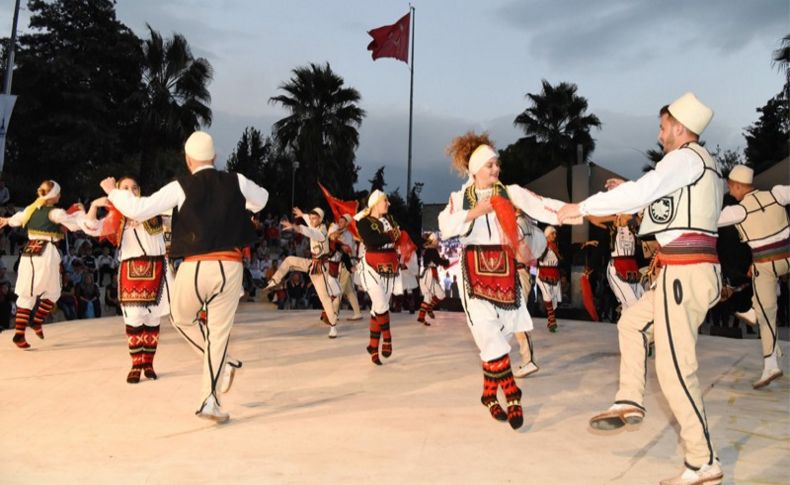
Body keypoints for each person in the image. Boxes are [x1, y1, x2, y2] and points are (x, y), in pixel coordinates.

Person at [558, 92, 724, 484]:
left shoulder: (684, 158)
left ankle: (703, 463)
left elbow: (646, 193)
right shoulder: (700, 165)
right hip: (683, 271)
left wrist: (581, 208)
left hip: (684, 272)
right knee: (631, 324)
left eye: (664, 126)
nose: (660, 133)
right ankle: (629, 399)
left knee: (675, 371)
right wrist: (633, 187)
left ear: (680, 129)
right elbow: (667, 203)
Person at [100, 131, 268, 423]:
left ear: (189, 160)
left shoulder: (180, 186)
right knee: (218, 334)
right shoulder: (236, 180)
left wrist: (114, 191)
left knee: (180, 319)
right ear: (214, 157)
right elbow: (263, 199)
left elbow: (138, 208)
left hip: (195, 266)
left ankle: (222, 367)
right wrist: (243, 205)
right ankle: (210, 399)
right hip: (230, 267)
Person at [438, 132, 574, 430]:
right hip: (473, 269)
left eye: (496, 164)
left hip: (504, 269)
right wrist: (476, 211)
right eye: (489, 165)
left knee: (503, 335)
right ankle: (512, 393)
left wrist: (575, 211)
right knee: (487, 332)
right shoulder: (459, 198)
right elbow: (445, 226)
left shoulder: (509, 192)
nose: (495, 169)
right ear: (474, 170)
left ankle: (489, 394)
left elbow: (541, 206)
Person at [86, 176, 173, 383]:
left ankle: (149, 363)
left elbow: (174, 216)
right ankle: (136, 364)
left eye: (134, 187)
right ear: (117, 192)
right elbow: (91, 226)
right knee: (134, 319)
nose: (131, 191)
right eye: (125, 188)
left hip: (157, 267)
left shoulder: (153, 208)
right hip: (131, 269)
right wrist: (93, 206)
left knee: (153, 319)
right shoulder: (117, 217)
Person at [717, 165, 789, 389]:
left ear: (739, 186)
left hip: (765, 266)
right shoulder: (777, 193)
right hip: (787, 258)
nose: (730, 193)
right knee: (765, 307)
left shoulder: (738, 211)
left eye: (731, 188)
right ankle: (752, 311)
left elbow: (707, 219)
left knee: (767, 314)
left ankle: (771, 365)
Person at [0, 180, 88, 349]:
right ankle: (19, 334)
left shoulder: (30, 209)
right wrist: (81, 213)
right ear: (53, 195)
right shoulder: (54, 212)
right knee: (32, 292)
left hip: (33, 252)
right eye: (58, 193)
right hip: (45, 252)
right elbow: (74, 225)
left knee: (52, 291)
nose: (60, 196)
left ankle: (36, 322)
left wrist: (5, 220)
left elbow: (15, 220)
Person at [263, 207, 342, 338]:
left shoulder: (322, 232)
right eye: (310, 218)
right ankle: (274, 281)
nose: (311, 220)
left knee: (324, 299)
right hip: (312, 263)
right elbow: (309, 222)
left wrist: (295, 227)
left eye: (314, 218)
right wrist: (302, 215)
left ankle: (333, 326)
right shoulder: (314, 223)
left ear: (320, 219)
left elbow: (310, 232)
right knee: (289, 260)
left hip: (321, 269)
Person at [355, 190, 403, 365]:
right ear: (375, 203)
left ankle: (373, 347)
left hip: (390, 264)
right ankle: (388, 338)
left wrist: (390, 236)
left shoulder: (390, 219)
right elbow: (371, 240)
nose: (388, 204)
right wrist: (390, 236)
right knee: (381, 304)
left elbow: (399, 236)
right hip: (371, 264)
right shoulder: (363, 222)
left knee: (378, 307)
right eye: (385, 200)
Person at [513, 211, 547, 378]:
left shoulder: (518, 224)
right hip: (520, 273)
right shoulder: (526, 224)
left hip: (518, 273)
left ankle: (528, 360)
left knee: (517, 319)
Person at [328, 214, 363, 321]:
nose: (340, 223)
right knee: (348, 290)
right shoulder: (339, 232)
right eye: (339, 221)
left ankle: (333, 313)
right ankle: (357, 313)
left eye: (342, 222)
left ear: (347, 223)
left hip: (345, 264)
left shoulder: (347, 235)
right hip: (342, 264)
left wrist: (337, 239)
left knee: (339, 288)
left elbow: (346, 250)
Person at [417, 232, 449, 325]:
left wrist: (443, 262)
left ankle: (429, 308)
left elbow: (437, 261)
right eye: (436, 240)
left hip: (432, 273)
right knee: (428, 296)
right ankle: (421, 317)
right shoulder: (431, 250)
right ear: (432, 241)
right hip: (429, 274)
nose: (437, 241)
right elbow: (437, 261)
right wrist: (446, 262)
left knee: (441, 294)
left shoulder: (430, 250)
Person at [536, 226, 561, 332]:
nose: (555, 235)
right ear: (547, 235)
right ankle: (552, 321)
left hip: (554, 274)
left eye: (555, 233)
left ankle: (550, 319)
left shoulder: (556, 246)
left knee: (555, 301)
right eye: (553, 233)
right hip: (543, 273)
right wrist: (547, 247)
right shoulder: (542, 245)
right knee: (548, 296)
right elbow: (539, 258)